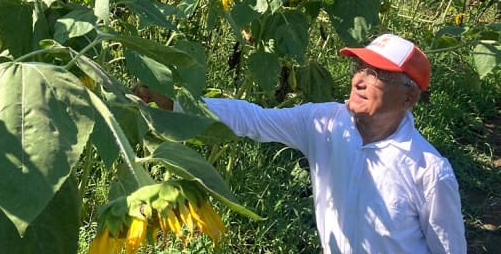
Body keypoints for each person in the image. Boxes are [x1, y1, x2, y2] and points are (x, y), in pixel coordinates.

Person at [135, 33, 467, 253]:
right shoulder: (324, 123)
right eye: (359, 68)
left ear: (409, 96)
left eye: (377, 74)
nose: (360, 80)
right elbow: (254, 119)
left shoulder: (429, 171)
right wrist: (176, 104)